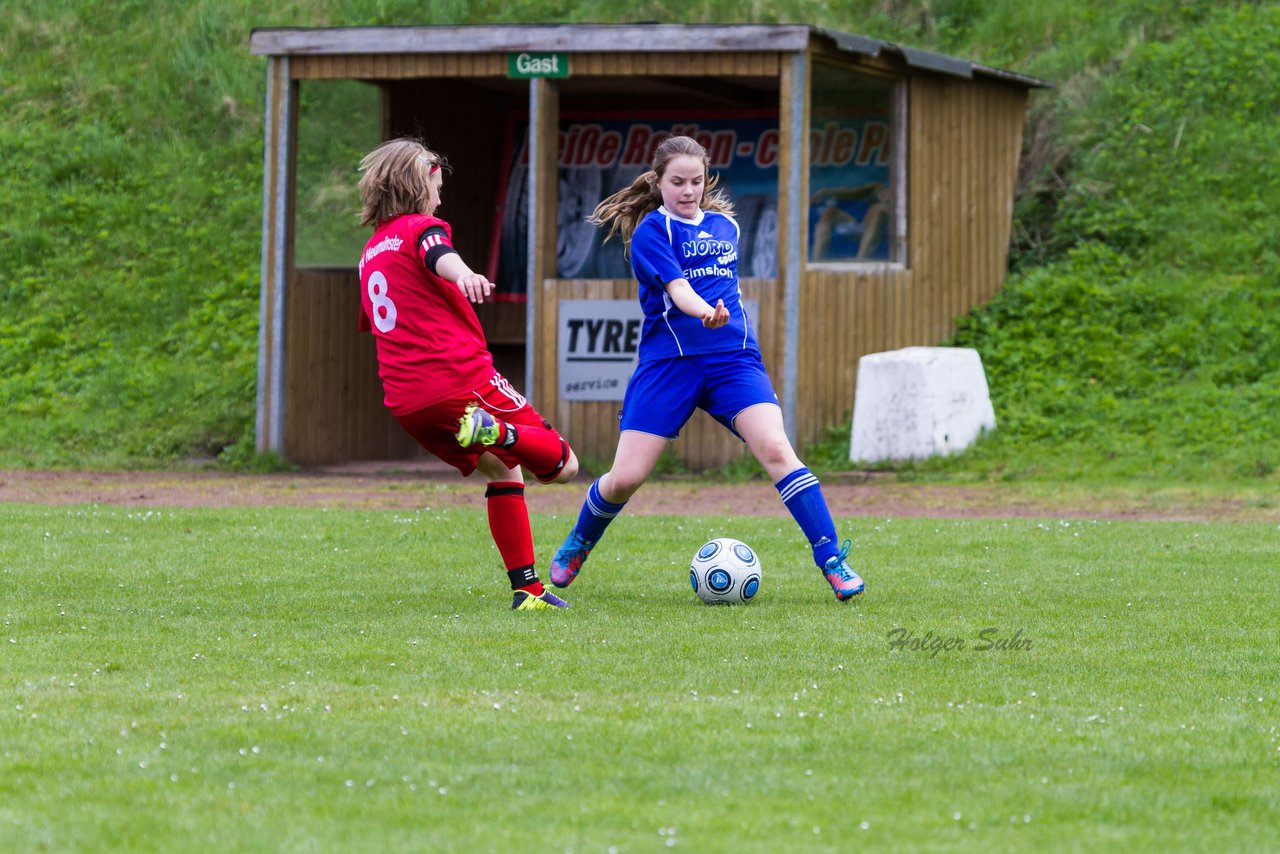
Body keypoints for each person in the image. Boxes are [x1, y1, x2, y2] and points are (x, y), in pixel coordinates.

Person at [548, 135, 865, 602]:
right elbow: (678, 289)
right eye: (677, 181)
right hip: (669, 365)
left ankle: (833, 560)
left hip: (733, 360)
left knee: (778, 450)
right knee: (626, 477)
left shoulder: (726, 227)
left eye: (696, 181)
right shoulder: (651, 233)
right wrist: (703, 312)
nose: (688, 190)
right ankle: (579, 542)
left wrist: (719, 321)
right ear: (658, 182)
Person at [357, 137, 579, 611]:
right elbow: (438, 252)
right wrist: (464, 275)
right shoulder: (424, 227)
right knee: (564, 466)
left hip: (406, 401)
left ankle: (528, 590)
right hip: (457, 380)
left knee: (504, 470)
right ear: (419, 185)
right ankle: (495, 426)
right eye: (437, 183)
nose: (442, 194)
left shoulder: (371, 252)